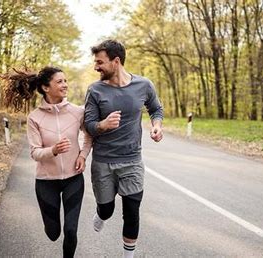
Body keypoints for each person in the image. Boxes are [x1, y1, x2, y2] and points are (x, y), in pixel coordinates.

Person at [1, 66, 92, 258]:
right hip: (46, 182)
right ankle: (51, 226)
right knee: (53, 233)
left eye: (65, 81)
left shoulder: (77, 112)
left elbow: (88, 137)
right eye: (59, 82)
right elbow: (34, 153)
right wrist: (54, 150)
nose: (65, 85)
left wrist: (82, 155)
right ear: (45, 87)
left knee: (70, 231)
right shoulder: (35, 117)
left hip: (73, 179)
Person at [84, 39, 164, 258]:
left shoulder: (144, 85)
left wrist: (157, 126)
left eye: (100, 62)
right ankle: (101, 214)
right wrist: (102, 125)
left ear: (116, 61)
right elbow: (89, 125)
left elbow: (156, 108)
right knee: (107, 210)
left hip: (132, 160)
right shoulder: (95, 90)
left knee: (132, 212)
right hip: (103, 162)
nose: (96, 67)